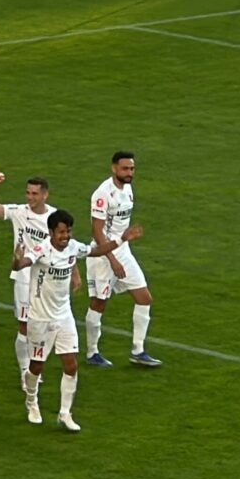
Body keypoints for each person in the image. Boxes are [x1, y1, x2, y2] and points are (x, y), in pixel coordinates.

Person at [13, 210, 141, 430]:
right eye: (62, 232)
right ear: (51, 232)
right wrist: (17, 260)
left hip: (64, 316)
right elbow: (23, 263)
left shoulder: (73, 247)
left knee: (71, 365)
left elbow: (96, 250)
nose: (66, 236)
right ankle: (32, 401)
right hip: (40, 319)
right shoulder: (41, 250)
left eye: (69, 231)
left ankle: (65, 413)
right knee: (37, 366)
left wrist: (122, 239)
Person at [0, 172, 80, 389]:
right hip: (24, 276)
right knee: (24, 325)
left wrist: (75, 273)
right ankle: (25, 371)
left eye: (35, 194)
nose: (30, 197)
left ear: (45, 195)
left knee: (46, 323)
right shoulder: (19, 212)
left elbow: (67, 247)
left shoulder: (55, 218)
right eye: (27, 193)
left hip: (49, 280)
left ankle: (36, 363)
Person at [85, 151, 162, 367]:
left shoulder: (127, 189)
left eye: (132, 168)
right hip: (103, 254)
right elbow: (97, 231)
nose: (129, 173)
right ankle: (92, 353)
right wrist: (112, 259)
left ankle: (138, 351)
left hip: (123, 250)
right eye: (125, 168)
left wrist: (124, 242)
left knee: (144, 298)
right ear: (114, 168)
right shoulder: (102, 194)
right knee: (99, 303)